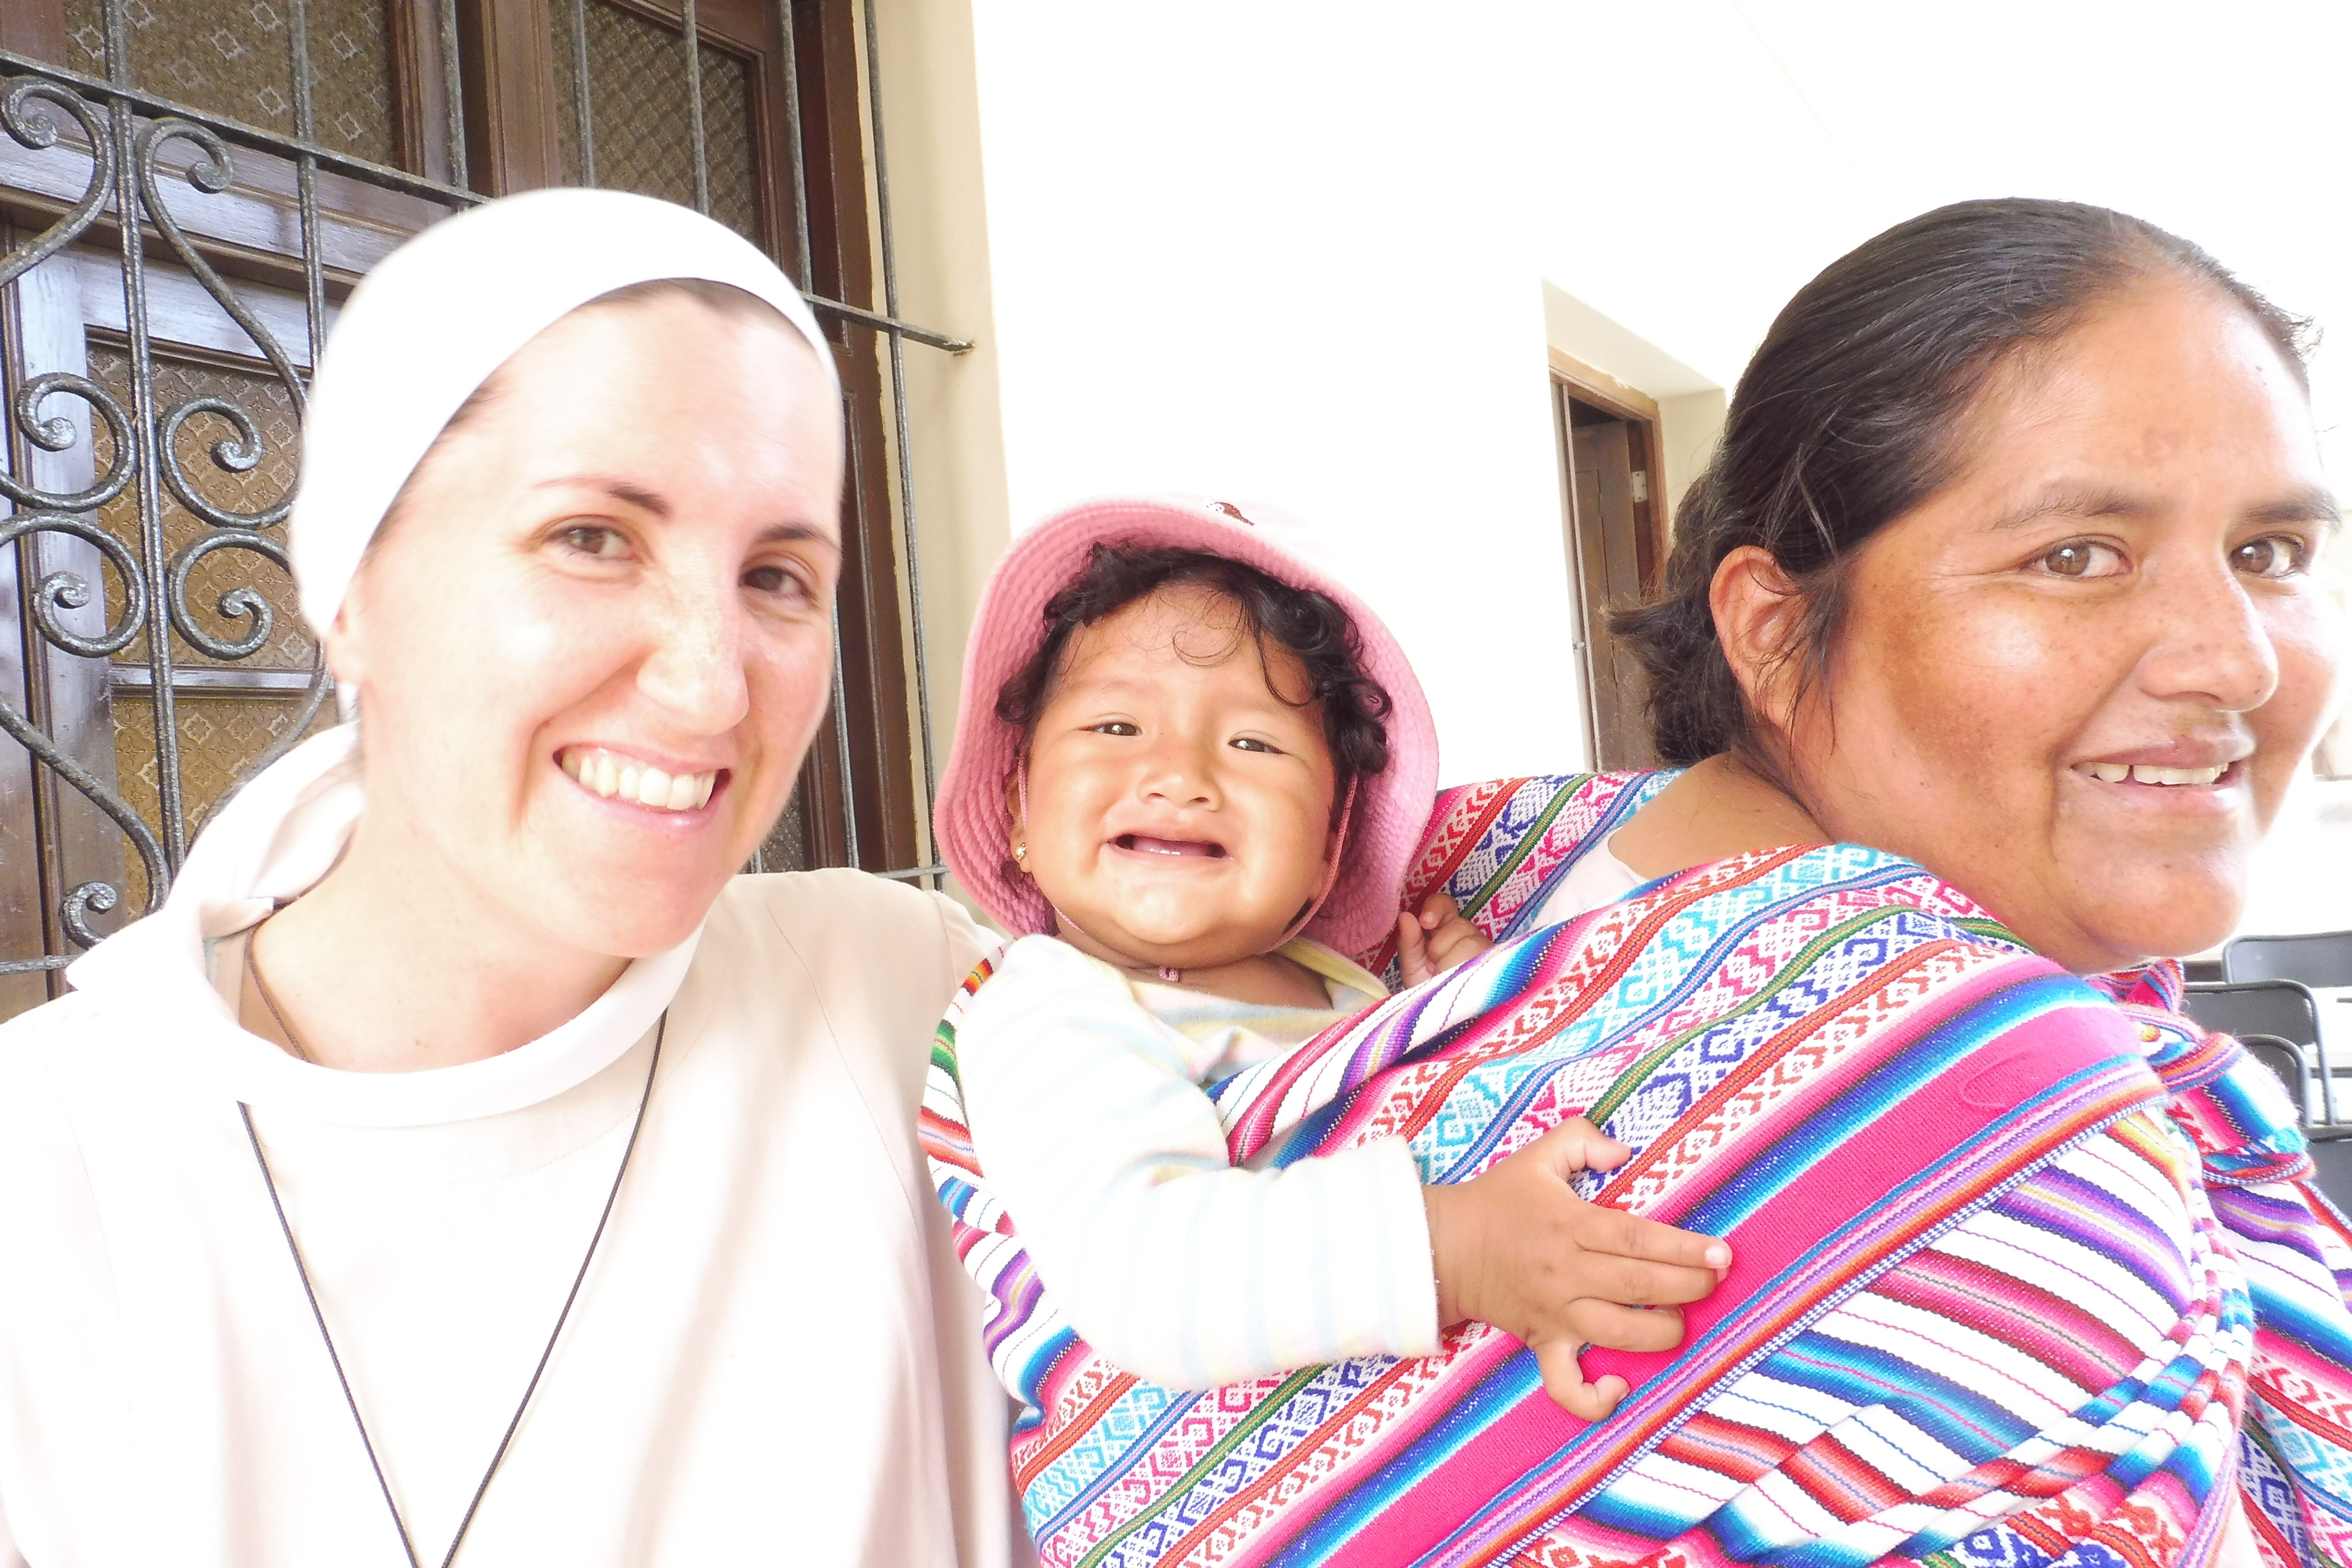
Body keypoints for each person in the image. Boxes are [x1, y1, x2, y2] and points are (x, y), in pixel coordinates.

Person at [919, 198, 2347, 1566]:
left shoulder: (1443, 907)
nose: (2239, 661)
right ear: (1775, 629)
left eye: (2272, 553)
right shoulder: (2006, 1107)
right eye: (2078, 554)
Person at [0, 190, 1022, 1567]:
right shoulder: (52, 1174)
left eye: (780, 575)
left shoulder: (906, 1004)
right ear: (348, 587)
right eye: (594, 537)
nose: (711, 685)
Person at [924, 500, 1730, 1422]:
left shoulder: (1336, 981)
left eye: (1253, 744)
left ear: (1325, 846)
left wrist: (1445, 1014)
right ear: (1020, 809)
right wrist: (1459, 1248)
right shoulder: (1055, 1006)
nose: (1183, 774)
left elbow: (1372, 1109)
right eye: (1115, 729)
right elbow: (1147, 1275)